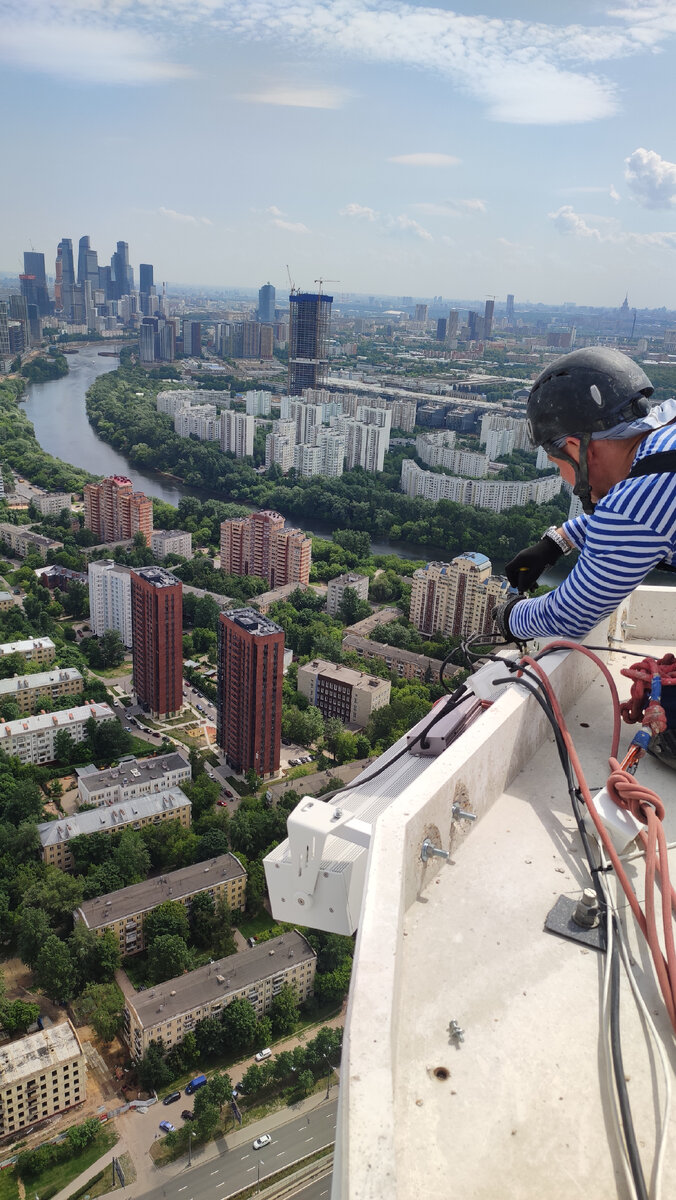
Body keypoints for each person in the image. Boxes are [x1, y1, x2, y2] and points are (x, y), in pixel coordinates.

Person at [493, 346, 676, 644]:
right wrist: (559, 541)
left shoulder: (634, 504)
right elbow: (642, 518)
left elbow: (569, 616)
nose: (564, 478)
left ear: (577, 449)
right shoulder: (663, 449)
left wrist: (510, 617)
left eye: (557, 464)